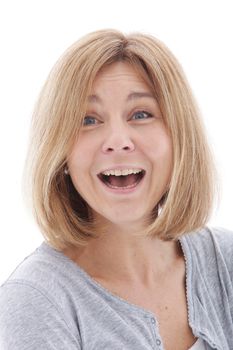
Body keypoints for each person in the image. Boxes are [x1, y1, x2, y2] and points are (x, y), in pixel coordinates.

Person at [0, 29, 232, 350]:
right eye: (88, 120)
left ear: (179, 136)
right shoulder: (37, 301)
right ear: (61, 153)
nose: (118, 141)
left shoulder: (226, 261)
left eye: (141, 114)